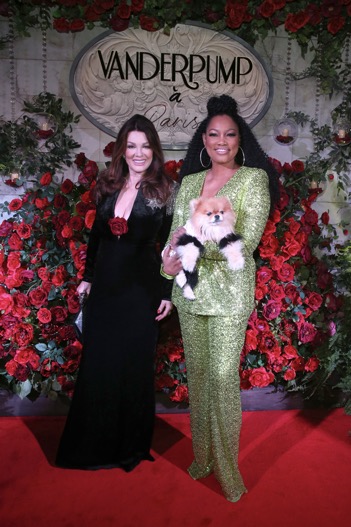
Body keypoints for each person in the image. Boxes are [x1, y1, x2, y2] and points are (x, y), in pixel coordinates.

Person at [161, 94, 280, 502]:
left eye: (230, 134)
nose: (222, 141)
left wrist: (193, 245)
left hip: (230, 297)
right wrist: (169, 266)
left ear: (240, 138)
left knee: (224, 380)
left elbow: (244, 244)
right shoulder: (191, 183)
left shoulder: (252, 180)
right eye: (214, 134)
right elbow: (173, 237)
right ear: (204, 140)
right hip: (191, 297)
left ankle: (229, 472)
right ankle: (202, 458)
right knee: (199, 380)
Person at [56, 114, 178, 471]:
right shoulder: (107, 184)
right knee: (100, 365)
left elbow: (173, 246)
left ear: (153, 150)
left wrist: (167, 291)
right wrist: (88, 276)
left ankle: (129, 446)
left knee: (133, 369)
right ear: (122, 149)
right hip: (106, 289)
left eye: (145, 146)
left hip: (142, 290)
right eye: (132, 146)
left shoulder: (165, 191)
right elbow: (97, 236)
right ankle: (92, 444)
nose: (138, 153)